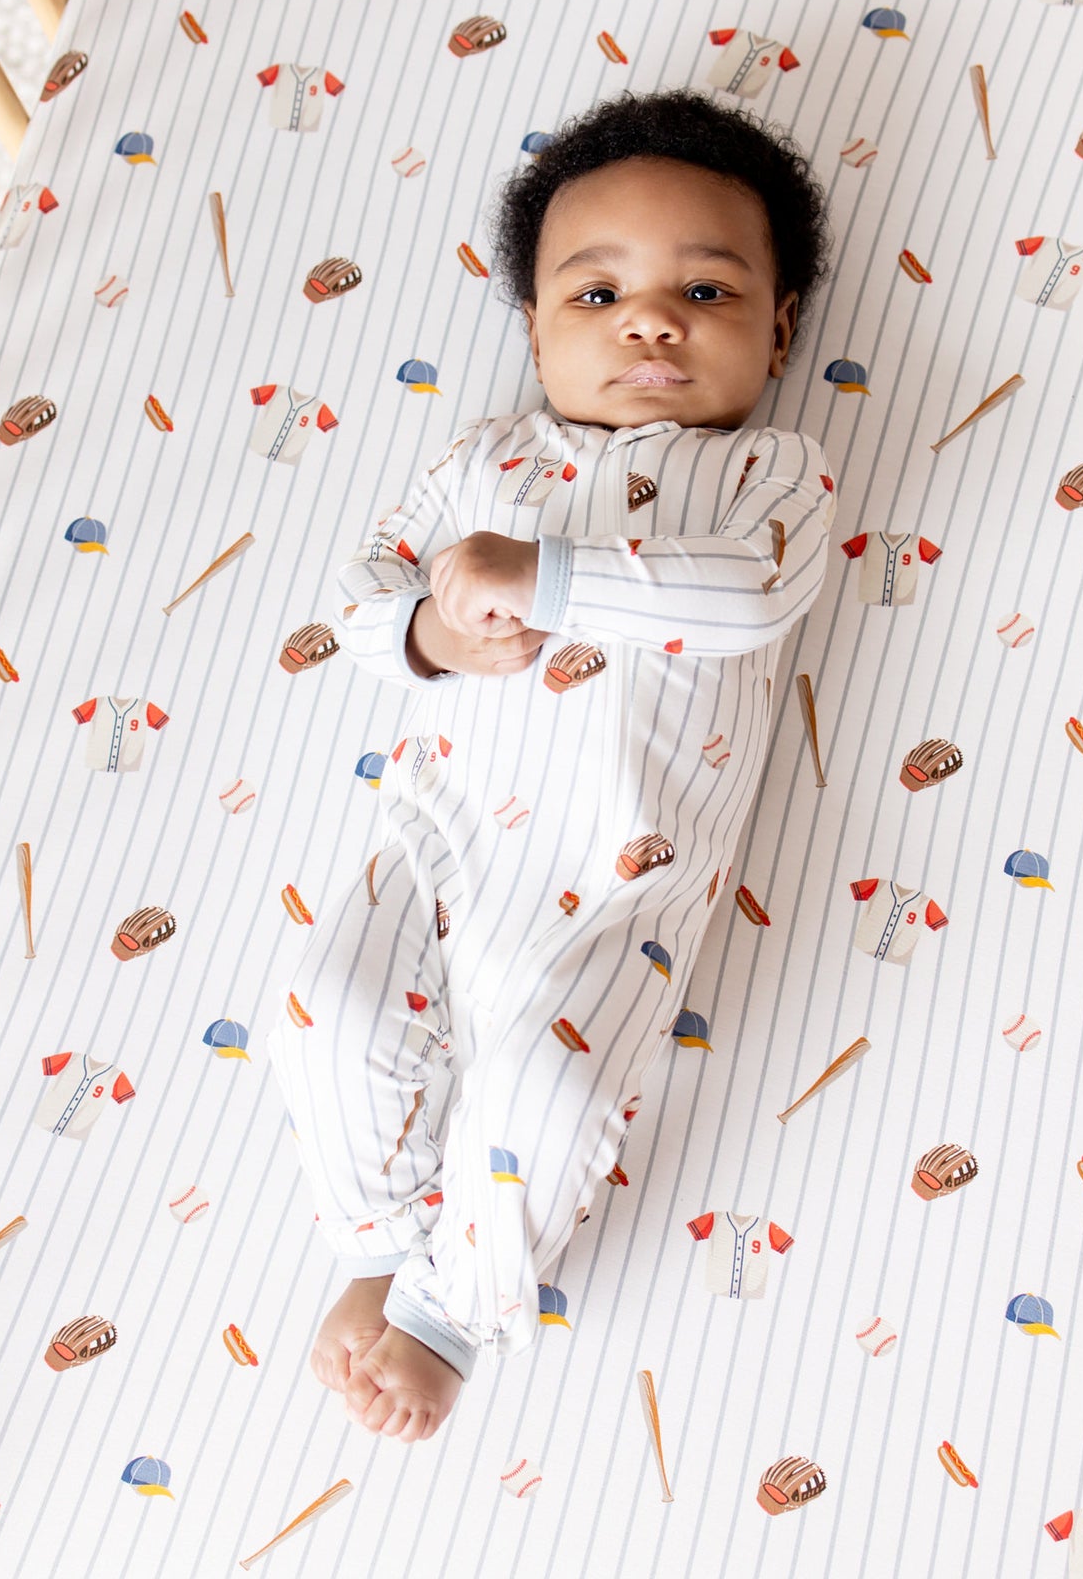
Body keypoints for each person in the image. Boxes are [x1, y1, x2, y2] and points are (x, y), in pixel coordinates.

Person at [263, 87, 837, 1443]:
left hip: (621, 875)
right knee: (329, 1003)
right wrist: (424, 635)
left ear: (781, 328)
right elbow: (357, 596)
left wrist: (554, 580)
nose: (651, 320)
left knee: (553, 1091)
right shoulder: (484, 461)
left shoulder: (774, 472)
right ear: (532, 326)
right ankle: (378, 1239)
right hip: (448, 836)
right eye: (596, 294)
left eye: (706, 287)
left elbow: (751, 598)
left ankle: (457, 1309)